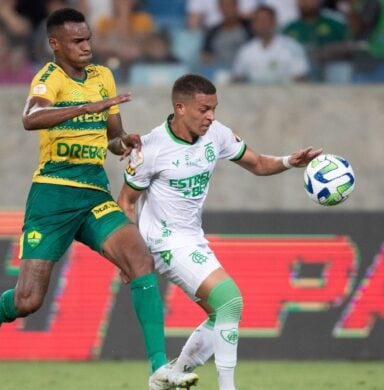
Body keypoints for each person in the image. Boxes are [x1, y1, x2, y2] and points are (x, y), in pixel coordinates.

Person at [0, 8, 198, 390]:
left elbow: (113, 136)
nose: (88, 46)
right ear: (55, 44)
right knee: (28, 300)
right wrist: (87, 108)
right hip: (53, 194)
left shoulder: (103, 76)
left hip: (93, 192)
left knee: (139, 257)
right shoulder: (49, 78)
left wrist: (127, 142)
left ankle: (159, 369)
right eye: (77, 41)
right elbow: (30, 117)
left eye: (88, 38)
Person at [117, 73, 322, 390]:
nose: (211, 116)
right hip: (163, 243)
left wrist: (288, 161)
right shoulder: (152, 148)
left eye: (214, 108)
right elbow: (126, 203)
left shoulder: (217, 135)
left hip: (193, 238)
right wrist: (129, 257)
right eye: (204, 110)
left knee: (223, 314)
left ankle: (167, 379)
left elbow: (256, 163)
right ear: (180, 107)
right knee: (230, 301)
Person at [232, 5, 310, 84]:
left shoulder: (293, 47)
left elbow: (301, 76)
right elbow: (238, 78)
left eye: (266, 20)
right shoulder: (245, 51)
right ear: (253, 25)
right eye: (258, 20)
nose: (262, 24)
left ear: (274, 22)